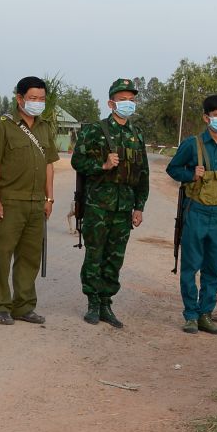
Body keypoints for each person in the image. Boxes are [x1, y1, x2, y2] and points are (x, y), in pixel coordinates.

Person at [70, 78, 150, 327]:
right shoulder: (95, 130)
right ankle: (93, 303)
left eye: (131, 99)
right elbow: (77, 162)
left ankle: (106, 303)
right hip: (98, 205)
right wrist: (102, 166)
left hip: (124, 207)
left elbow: (143, 173)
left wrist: (139, 206)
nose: (128, 103)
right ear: (111, 103)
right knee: (95, 254)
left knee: (115, 257)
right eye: (123, 99)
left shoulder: (136, 134)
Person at [166, 95, 217, 334]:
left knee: (213, 267)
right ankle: (190, 314)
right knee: (191, 265)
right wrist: (192, 174)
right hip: (196, 212)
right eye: (216, 115)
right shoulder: (192, 144)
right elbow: (173, 168)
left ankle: (205, 313)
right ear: (206, 117)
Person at [0, 77, 58, 325]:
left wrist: (49, 197)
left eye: (41, 99)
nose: (37, 103)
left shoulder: (45, 127)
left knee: (30, 257)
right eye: (33, 98)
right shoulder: (2, 127)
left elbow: (49, 166)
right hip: (10, 201)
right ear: (19, 98)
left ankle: (23, 306)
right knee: (2, 255)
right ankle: (0, 306)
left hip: (37, 203)